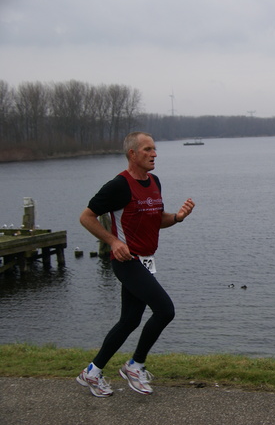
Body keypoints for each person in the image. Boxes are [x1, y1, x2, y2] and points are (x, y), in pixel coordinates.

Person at [76, 131, 195, 397]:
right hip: (127, 261)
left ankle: (92, 372)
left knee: (129, 321)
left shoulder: (154, 181)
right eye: (147, 149)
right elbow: (86, 217)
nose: (154, 154)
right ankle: (135, 365)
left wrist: (177, 217)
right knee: (165, 310)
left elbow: (155, 219)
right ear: (132, 154)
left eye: (154, 149)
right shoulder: (119, 185)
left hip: (146, 261)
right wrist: (113, 242)